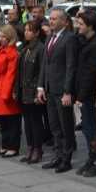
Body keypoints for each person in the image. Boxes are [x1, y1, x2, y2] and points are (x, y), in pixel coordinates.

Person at [38, 9, 77, 171]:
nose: (51, 22)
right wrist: (41, 86)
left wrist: (68, 91)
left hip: (62, 91)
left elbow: (70, 66)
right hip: (49, 89)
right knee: (54, 126)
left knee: (65, 126)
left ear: (63, 21)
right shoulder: (50, 37)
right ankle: (57, 155)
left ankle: (66, 159)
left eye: (54, 19)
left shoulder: (70, 38)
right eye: (50, 19)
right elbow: (45, 64)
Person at [74, 9, 96, 176]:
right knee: (87, 129)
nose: (77, 26)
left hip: (91, 95)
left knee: (93, 131)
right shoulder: (85, 40)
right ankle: (91, 158)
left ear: (90, 26)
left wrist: (81, 96)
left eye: (80, 24)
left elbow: (91, 74)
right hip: (85, 94)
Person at [0, 25, 22, 158]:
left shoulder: (12, 53)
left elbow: (11, 74)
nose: (0, 39)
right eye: (0, 36)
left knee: (11, 120)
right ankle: (6, 145)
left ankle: (13, 146)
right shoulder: (1, 50)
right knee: (3, 120)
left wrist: (6, 93)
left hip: (5, 88)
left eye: (3, 36)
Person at [17, 20, 46, 164]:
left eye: (29, 30)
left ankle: (37, 148)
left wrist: (38, 91)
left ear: (36, 33)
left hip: (34, 91)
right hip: (24, 90)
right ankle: (30, 147)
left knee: (35, 121)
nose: (26, 32)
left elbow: (41, 71)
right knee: (27, 121)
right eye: (25, 30)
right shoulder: (24, 48)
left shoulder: (40, 48)